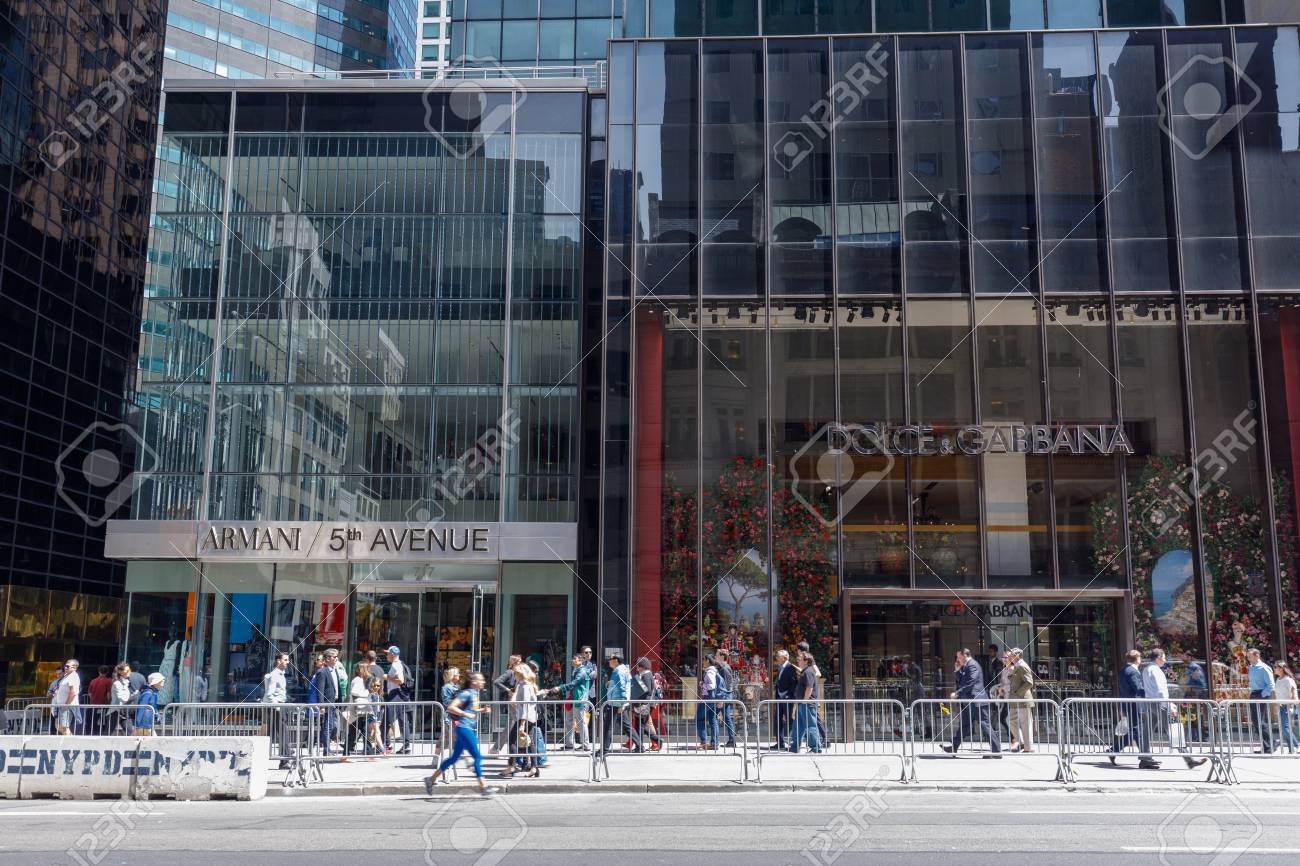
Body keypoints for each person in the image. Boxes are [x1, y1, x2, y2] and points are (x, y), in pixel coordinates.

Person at [425, 671, 495, 796]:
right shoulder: (467, 693)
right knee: (477, 757)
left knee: (454, 758)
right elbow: (451, 707)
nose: (483, 682)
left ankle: (431, 779)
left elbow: (471, 710)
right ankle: (483, 787)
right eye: (481, 680)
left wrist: (482, 710)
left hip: (465, 728)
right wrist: (464, 714)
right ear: (474, 682)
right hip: (464, 728)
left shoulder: (474, 693)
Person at [1143, 648, 1206, 769]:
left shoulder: (1147, 669)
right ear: (1158, 658)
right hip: (1160, 703)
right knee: (1173, 730)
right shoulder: (1156, 670)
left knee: (1147, 730)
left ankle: (1144, 758)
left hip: (1151, 702)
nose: (1165, 660)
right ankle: (1189, 760)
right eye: (1164, 657)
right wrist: (1169, 704)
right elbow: (1160, 690)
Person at [941, 648, 1002, 758]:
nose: (958, 659)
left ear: (965, 655)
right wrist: (957, 670)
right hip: (969, 701)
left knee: (984, 724)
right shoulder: (966, 666)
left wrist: (957, 693)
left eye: (959, 657)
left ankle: (996, 751)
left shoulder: (973, 665)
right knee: (964, 725)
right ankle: (954, 747)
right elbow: (962, 681)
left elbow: (970, 683)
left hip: (976, 700)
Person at [1110, 649, 1156, 768]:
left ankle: (1145, 757)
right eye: (1140, 658)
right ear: (1137, 659)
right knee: (1136, 730)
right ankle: (1145, 758)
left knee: (1136, 731)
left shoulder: (1125, 669)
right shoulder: (1132, 671)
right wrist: (1150, 695)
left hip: (1128, 704)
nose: (1141, 660)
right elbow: (1138, 689)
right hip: (1133, 704)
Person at [544, 653, 594, 751]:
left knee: (581, 723)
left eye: (575, 659)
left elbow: (573, 684)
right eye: (573, 659)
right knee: (569, 721)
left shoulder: (582, 671)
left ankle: (585, 745)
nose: (572, 660)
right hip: (573, 698)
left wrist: (560, 688)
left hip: (579, 700)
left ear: (580, 661)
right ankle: (569, 744)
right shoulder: (577, 670)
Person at [598, 653, 642, 754]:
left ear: (616, 660)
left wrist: (622, 704)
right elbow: (620, 686)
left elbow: (622, 688)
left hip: (616, 704)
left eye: (610, 659)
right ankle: (640, 746)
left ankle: (604, 750)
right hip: (619, 703)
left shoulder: (619, 671)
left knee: (608, 727)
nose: (608, 661)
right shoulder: (622, 670)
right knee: (627, 727)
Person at [505, 663, 541, 777]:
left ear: (521, 673)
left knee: (512, 739)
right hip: (527, 717)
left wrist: (522, 724)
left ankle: (511, 766)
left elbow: (526, 705)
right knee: (529, 742)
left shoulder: (525, 686)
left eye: (516, 672)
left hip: (525, 718)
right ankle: (534, 768)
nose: (514, 675)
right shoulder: (522, 684)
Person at [262, 652, 292, 768]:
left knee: (276, 733)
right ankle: (285, 759)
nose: (288, 662)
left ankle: (285, 756)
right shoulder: (275, 675)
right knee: (283, 732)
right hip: (277, 707)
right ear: (278, 661)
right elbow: (269, 694)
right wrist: (278, 707)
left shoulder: (280, 675)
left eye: (288, 660)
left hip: (278, 706)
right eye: (285, 660)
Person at [790, 651, 823, 753]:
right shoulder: (805, 671)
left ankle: (815, 747)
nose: (798, 660)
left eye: (800, 659)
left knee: (810, 726)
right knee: (798, 726)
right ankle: (795, 746)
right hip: (802, 703)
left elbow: (809, 688)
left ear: (806, 661)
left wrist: (805, 701)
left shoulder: (808, 672)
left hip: (807, 704)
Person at [384, 646, 413, 754]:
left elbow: (400, 680)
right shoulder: (399, 664)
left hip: (396, 693)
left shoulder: (396, 665)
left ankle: (386, 744)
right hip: (399, 694)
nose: (386, 655)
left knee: (388, 718)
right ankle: (406, 746)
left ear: (392, 654)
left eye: (388, 653)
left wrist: (387, 677)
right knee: (402, 719)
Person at [311, 649, 342, 755]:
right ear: (328, 659)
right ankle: (326, 750)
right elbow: (320, 690)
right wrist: (322, 706)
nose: (337, 659)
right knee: (328, 727)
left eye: (337, 656)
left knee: (332, 726)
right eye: (335, 657)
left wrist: (339, 701)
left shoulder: (335, 670)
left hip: (334, 702)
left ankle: (326, 748)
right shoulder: (322, 672)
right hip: (327, 703)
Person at [1005, 648, 1035, 754]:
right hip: (1015, 700)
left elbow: (1029, 682)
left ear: (1017, 655)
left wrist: (1018, 693)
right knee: (1010, 719)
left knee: (1025, 723)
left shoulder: (1022, 665)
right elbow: (1014, 680)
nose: (1009, 657)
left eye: (1011, 655)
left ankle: (1028, 747)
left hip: (1022, 699)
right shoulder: (1016, 666)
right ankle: (1021, 742)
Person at [630, 657, 663, 751]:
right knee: (642, 725)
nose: (637, 668)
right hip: (644, 704)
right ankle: (656, 740)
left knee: (639, 726)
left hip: (644, 704)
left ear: (642, 666)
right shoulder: (646, 675)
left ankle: (639, 747)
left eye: (638, 665)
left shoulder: (646, 675)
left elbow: (647, 690)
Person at [1246, 648, 1275, 754]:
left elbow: (1271, 685)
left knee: (1260, 720)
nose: (1248, 659)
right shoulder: (1251, 667)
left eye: (1250, 656)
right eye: (1248, 657)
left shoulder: (1264, 668)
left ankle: (1269, 746)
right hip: (1254, 693)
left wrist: (1262, 695)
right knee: (1255, 721)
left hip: (1261, 694)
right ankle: (1268, 744)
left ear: (1257, 656)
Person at [492, 654, 523, 754]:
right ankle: (499, 749)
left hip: (517, 701)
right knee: (514, 724)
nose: (520, 663)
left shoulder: (519, 672)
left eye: (520, 661)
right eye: (518, 662)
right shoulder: (510, 672)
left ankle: (497, 749)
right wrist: (508, 690)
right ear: (513, 663)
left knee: (512, 725)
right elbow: (497, 682)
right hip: (512, 701)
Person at [345, 661, 374, 760]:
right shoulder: (357, 680)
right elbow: (354, 692)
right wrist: (366, 693)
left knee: (365, 731)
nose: (369, 671)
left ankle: (368, 753)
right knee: (354, 732)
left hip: (362, 709)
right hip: (357, 709)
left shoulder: (362, 680)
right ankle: (346, 754)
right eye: (367, 669)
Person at [772, 649, 798, 750]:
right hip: (779, 699)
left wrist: (788, 696)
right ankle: (780, 742)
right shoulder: (781, 668)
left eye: (778, 656)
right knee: (777, 720)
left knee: (789, 721)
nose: (777, 658)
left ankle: (793, 743)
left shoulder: (789, 667)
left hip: (787, 699)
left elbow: (793, 683)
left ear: (784, 658)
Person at [695, 651, 720, 751]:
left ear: (708, 661)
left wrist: (702, 685)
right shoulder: (715, 670)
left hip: (708, 698)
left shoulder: (709, 672)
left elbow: (712, 685)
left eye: (704, 660)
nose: (703, 662)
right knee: (713, 720)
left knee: (699, 718)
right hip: (712, 698)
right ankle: (714, 743)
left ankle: (704, 741)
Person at [714, 649, 738, 748]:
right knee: (727, 718)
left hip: (724, 698)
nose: (715, 657)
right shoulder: (723, 667)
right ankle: (732, 740)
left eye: (717, 655)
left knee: (713, 716)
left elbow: (727, 684)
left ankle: (715, 741)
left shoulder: (724, 668)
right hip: (725, 697)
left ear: (722, 657)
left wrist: (722, 698)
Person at [51, 659, 82, 735]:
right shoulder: (66, 676)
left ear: (74, 667)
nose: (65, 667)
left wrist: (66, 705)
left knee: (63, 727)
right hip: (61, 706)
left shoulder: (73, 676)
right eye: (65, 666)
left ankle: (70, 741)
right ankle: (69, 739)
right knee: (58, 726)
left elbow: (73, 692)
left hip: (67, 706)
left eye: (68, 666)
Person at [1274, 662, 1298, 753]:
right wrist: (1276, 706)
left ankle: (1296, 745)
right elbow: (1277, 694)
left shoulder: (1288, 680)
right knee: (1283, 728)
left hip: (1287, 705)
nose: (1274, 669)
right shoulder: (1278, 679)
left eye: (1276, 667)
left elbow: (1293, 694)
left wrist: (1291, 707)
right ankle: (1291, 749)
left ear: (1281, 668)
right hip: (1281, 706)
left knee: (1285, 728)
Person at [87, 665, 113, 735]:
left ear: (99, 671)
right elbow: (108, 694)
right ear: (107, 672)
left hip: (93, 704)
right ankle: (101, 732)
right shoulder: (108, 681)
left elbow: (89, 693)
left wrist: (93, 699)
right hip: (103, 704)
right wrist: (109, 702)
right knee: (103, 719)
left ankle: (93, 732)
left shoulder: (93, 681)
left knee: (94, 718)